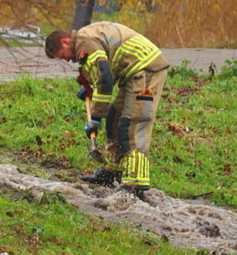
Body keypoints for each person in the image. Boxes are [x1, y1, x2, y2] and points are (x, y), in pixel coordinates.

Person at [45, 22, 170, 201]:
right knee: (114, 120)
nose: (66, 60)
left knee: (133, 124)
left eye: (62, 55)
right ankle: (112, 172)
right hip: (133, 74)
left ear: (65, 42)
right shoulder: (84, 41)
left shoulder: (85, 42)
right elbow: (101, 72)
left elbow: (104, 81)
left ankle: (135, 181)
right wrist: (89, 88)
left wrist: (95, 119)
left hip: (147, 73)